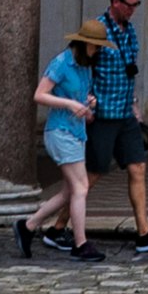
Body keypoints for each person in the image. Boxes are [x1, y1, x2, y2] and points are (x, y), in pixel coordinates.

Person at [88, 0, 148, 257]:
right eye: (130, 5)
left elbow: (130, 70)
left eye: (137, 5)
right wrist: (85, 102)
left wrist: (135, 106)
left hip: (125, 114)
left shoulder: (130, 31)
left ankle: (144, 232)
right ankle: (57, 226)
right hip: (102, 114)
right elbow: (82, 68)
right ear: (116, 2)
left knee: (138, 167)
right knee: (91, 175)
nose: (133, 10)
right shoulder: (97, 31)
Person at [25, 29, 102, 257]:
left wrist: (88, 103)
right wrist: (69, 104)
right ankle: (80, 244)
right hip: (60, 132)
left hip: (76, 133)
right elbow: (40, 95)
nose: (98, 51)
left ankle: (28, 226)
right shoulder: (61, 63)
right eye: (96, 46)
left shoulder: (85, 66)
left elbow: (80, 97)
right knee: (81, 188)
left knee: (69, 192)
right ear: (84, 43)